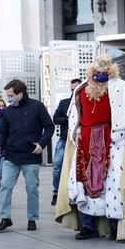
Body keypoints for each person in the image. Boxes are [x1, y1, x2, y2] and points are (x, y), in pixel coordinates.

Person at [55, 54, 125, 241]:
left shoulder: (121, 87)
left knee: (113, 184)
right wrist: (76, 132)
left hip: (112, 142)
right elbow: (74, 116)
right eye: (97, 71)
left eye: (104, 71)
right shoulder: (80, 89)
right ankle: (89, 227)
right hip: (86, 141)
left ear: (110, 70)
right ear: (92, 71)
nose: (100, 74)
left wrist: (118, 135)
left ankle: (115, 226)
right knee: (84, 181)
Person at [0, 79, 54, 232]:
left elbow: (49, 127)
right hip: (11, 155)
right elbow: (3, 131)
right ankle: (5, 218)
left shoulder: (37, 107)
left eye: (11, 95)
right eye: (7, 95)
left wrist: (41, 144)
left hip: (31, 155)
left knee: (31, 189)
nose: (8, 98)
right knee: (5, 186)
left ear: (20, 94)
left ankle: (32, 219)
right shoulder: (8, 111)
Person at [51, 78, 82, 206]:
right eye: (71, 90)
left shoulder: (86, 102)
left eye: (76, 90)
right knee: (57, 165)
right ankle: (56, 192)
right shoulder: (64, 103)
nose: (73, 92)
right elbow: (55, 119)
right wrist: (69, 119)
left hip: (81, 139)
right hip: (65, 139)